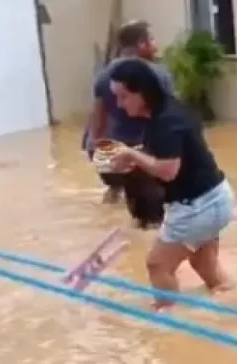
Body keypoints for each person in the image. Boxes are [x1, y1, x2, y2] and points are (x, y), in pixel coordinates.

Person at [105, 59, 234, 310]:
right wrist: (136, 158)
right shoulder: (169, 110)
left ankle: (168, 324)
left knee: (158, 264)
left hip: (197, 206)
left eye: (123, 97)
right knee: (205, 267)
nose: (120, 105)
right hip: (216, 198)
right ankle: (233, 311)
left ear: (142, 92)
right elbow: (170, 154)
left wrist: (132, 156)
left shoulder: (165, 121)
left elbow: (168, 171)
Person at [87, 20, 174, 228]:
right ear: (141, 44)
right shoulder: (156, 73)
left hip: (120, 149)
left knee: (138, 216)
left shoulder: (105, 74)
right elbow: (170, 114)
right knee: (157, 220)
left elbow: (98, 113)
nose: (156, 45)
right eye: (152, 40)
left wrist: (94, 142)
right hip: (149, 151)